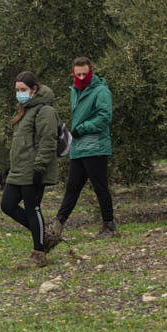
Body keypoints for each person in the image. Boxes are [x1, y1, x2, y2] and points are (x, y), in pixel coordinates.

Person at [47, 56, 114, 245]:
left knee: (100, 187)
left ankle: (109, 226)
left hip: (95, 147)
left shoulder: (101, 91)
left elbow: (104, 117)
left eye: (85, 74)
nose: (82, 77)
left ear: (91, 71)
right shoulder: (74, 91)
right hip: (78, 147)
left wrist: (82, 128)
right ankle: (57, 225)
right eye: (79, 74)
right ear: (73, 73)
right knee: (72, 188)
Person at [1, 71, 59, 268]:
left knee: (33, 208)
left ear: (34, 89)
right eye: (17, 90)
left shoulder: (45, 110)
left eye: (23, 89)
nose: (19, 93)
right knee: (7, 205)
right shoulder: (24, 109)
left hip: (33, 168)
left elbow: (48, 141)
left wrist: (39, 167)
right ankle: (45, 236)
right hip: (18, 169)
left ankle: (39, 253)